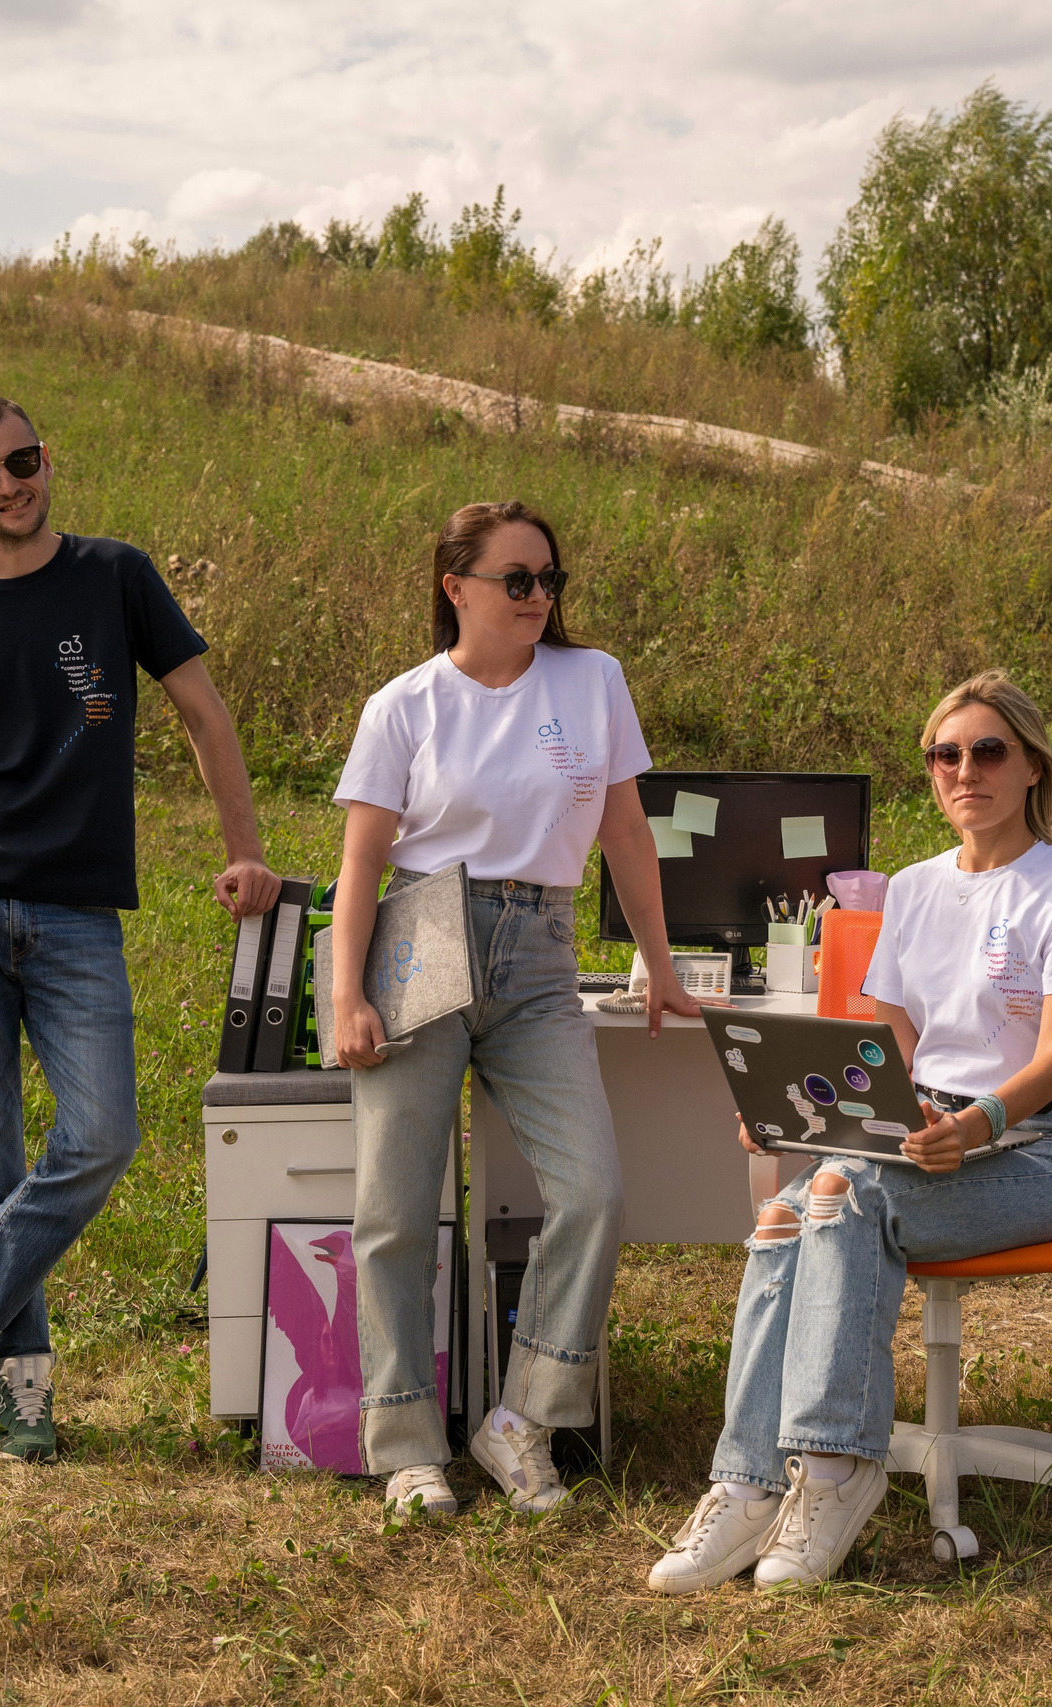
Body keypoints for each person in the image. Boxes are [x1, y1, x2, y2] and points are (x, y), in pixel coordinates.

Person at [0, 394, 280, 1461]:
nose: (10, 485)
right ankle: (20, 1390)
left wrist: (244, 848)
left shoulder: (114, 575)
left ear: (49, 458)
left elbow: (202, 711)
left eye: (23, 461)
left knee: (102, 1136)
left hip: (77, 913)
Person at [647, 670, 1052, 1593]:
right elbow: (885, 1050)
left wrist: (977, 1120)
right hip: (919, 1128)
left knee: (838, 1191)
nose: (965, 770)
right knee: (789, 1210)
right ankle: (745, 1483)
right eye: (946, 754)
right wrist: (803, 1112)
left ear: (1031, 765)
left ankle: (832, 1470)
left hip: (1040, 1148)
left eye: (988, 750)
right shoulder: (910, 888)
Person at [329, 499, 700, 1518]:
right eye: (518, 581)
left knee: (593, 1192)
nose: (540, 598)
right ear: (457, 588)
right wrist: (345, 991)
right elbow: (360, 861)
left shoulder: (593, 681)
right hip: (422, 934)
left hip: (539, 947)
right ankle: (405, 1442)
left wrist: (657, 962)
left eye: (550, 581)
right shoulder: (403, 704)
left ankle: (521, 1420)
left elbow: (626, 834)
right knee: (395, 1209)